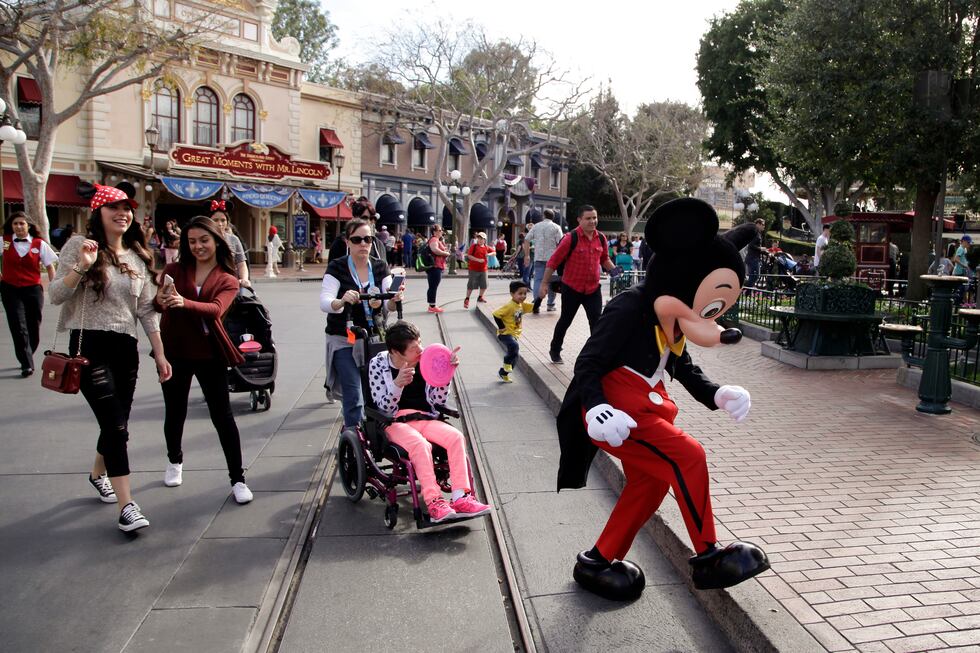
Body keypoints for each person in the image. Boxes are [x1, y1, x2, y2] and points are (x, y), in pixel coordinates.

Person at [557, 198, 769, 601]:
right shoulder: (630, 306)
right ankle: (708, 554)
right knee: (688, 455)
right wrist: (598, 408)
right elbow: (588, 361)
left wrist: (717, 393)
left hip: (645, 406)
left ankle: (598, 559)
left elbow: (682, 365)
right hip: (615, 412)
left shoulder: (670, 316)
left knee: (650, 484)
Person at [49, 184, 172, 532]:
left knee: (116, 424)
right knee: (116, 426)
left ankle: (96, 474)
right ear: (98, 212)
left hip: (125, 350)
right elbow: (56, 295)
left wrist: (159, 353)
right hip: (88, 348)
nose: (123, 213)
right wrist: (82, 267)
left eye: (127, 208)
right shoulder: (79, 246)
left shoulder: (137, 255)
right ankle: (127, 505)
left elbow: (147, 310)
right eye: (114, 207)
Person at [154, 216, 253, 504]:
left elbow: (215, 310)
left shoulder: (228, 278)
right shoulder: (174, 269)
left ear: (216, 241)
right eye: (192, 241)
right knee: (175, 411)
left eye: (204, 240)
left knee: (223, 417)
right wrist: (161, 299)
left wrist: (184, 302)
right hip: (174, 351)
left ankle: (238, 479)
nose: (198, 246)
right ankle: (175, 460)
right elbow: (156, 306)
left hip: (209, 353)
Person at [367, 320, 491, 523]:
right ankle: (434, 502)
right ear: (396, 352)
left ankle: (461, 498)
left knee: (455, 437)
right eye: (414, 348)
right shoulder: (378, 365)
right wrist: (397, 385)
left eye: (420, 343)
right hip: (395, 421)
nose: (421, 350)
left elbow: (438, 401)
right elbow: (384, 409)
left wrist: (445, 373)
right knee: (419, 444)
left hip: (425, 417)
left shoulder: (427, 360)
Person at [319, 219, 404, 430]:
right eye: (357, 240)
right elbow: (325, 301)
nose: (363, 244)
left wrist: (393, 299)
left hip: (374, 339)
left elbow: (390, 305)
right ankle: (353, 438)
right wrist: (341, 300)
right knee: (354, 395)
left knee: (376, 392)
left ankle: (373, 435)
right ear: (348, 242)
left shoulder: (380, 266)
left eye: (368, 239)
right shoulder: (337, 267)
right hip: (345, 338)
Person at [539, 205, 615, 364]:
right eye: (588, 218)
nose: (592, 221)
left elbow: (604, 259)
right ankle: (555, 349)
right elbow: (553, 262)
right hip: (572, 288)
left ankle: (596, 355)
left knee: (597, 323)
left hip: (593, 289)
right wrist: (544, 284)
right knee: (566, 320)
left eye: (594, 218)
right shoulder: (570, 238)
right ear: (579, 220)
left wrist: (614, 271)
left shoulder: (601, 238)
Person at [1, 211, 58, 376]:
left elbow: (49, 266)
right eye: (15, 224)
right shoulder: (5, 242)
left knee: (33, 325)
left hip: (32, 289)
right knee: (18, 325)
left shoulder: (39, 244)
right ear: (11, 226)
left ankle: (26, 353)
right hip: (10, 288)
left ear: (28, 226)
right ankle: (26, 363)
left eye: (22, 223)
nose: (18, 226)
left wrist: (53, 286)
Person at [523, 208, 564, 314]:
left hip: (539, 257)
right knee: (551, 280)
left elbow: (526, 239)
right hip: (552, 259)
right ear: (553, 217)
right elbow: (561, 243)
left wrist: (527, 255)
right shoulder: (556, 227)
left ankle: (536, 303)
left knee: (538, 280)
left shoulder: (536, 226)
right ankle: (550, 304)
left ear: (543, 216)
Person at [492, 280, 533, 383]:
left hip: (514, 334)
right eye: (520, 293)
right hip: (505, 334)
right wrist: (501, 327)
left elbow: (534, 306)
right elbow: (496, 314)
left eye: (525, 293)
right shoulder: (510, 305)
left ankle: (503, 373)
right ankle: (506, 362)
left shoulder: (521, 305)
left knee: (515, 357)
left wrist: (540, 298)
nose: (523, 296)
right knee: (514, 347)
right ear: (512, 294)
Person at [209, 200, 251, 288]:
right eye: (215, 220)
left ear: (227, 222)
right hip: (211, 284)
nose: (220, 224)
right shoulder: (204, 239)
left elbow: (241, 264)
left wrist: (244, 279)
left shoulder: (234, 239)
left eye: (223, 220)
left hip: (232, 284)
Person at [425, 225, 451, 313]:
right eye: (440, 230)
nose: (441, 232)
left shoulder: (437, 240)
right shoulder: (434, 239)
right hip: (435, 266)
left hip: (436, 266)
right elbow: (434, 250)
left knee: (433, 286)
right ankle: (432, 306)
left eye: (441, 230)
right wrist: (445, 253)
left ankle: (431, 305)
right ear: (435, 232)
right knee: (433, 286)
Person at [463, 232, 491, 308]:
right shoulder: (474, 246)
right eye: (478, 238)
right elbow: (469, 256)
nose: (480, 240)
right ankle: (467, 299)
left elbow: (494, 252)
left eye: (481, 238)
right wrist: (478, 260)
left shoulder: (486, 247)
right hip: (473, 269)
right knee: (471, 284)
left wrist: (489, 254)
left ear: (485, 240)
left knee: (484, 284)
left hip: (483, 269)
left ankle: (480, 297)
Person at [744, 218, 767, 287]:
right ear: (758, 224)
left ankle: (746, 291)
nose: (764, 226)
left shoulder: (757, 233)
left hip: (754, 258)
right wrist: (761, 249)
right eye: (762, 224)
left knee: (754, 276)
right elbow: (751, 245)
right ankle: (746, 291)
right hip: (752, 259)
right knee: (754, 276)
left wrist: (765, 251)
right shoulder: (755, 233)